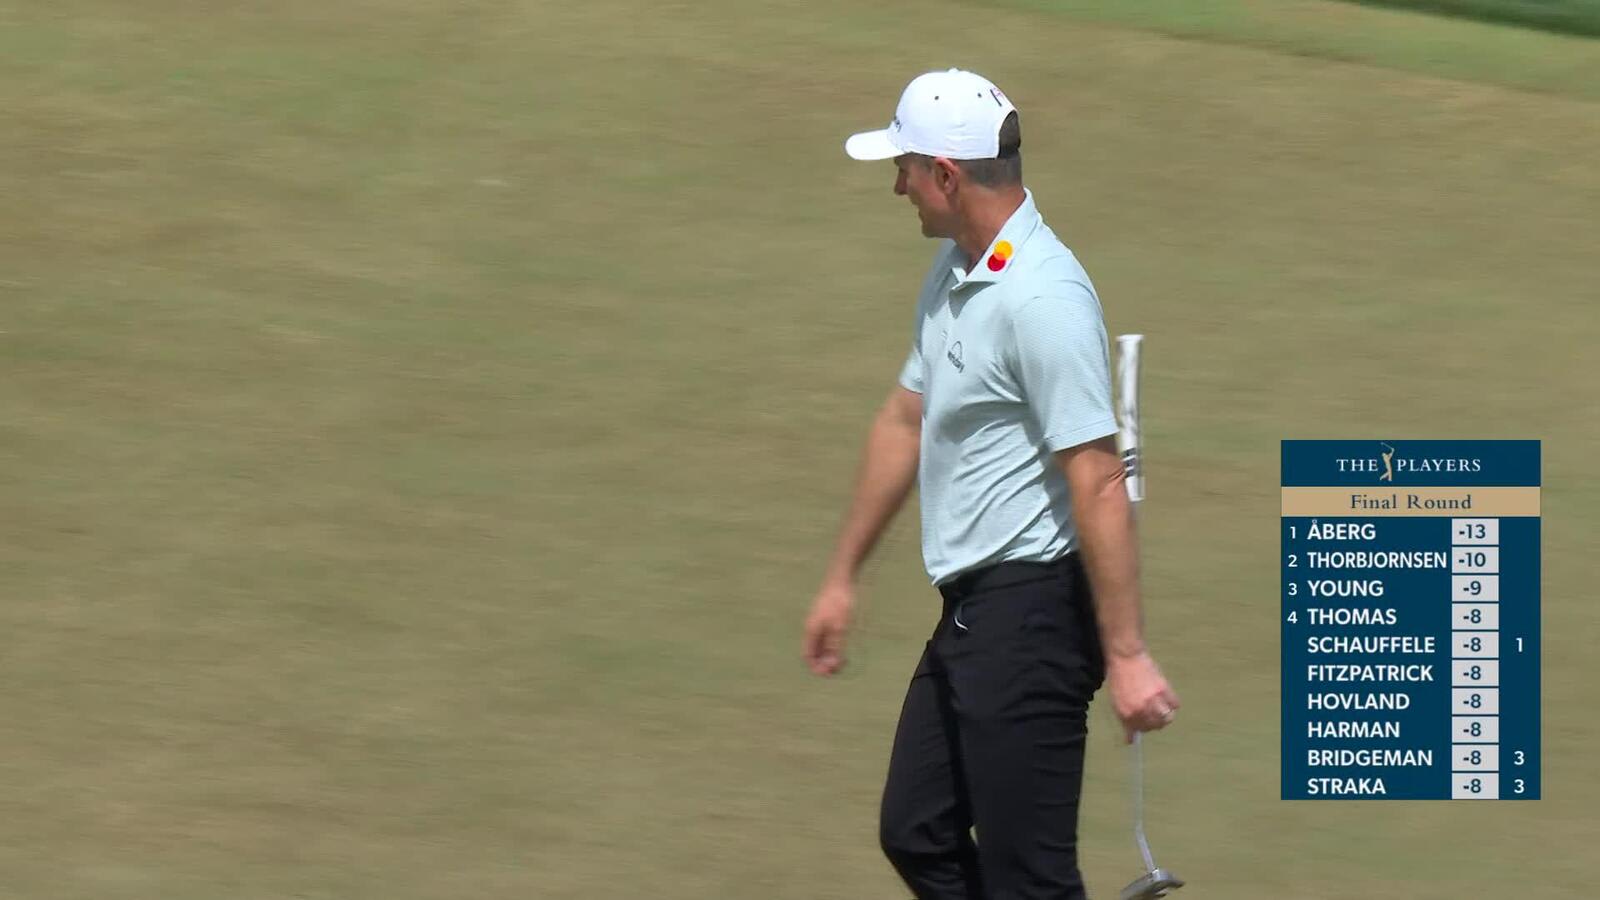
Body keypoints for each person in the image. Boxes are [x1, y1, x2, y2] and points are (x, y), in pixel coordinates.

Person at [802, 69, 1180, 900]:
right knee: (919, 832)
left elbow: (1097, 478)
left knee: (1028, 879)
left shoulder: (1042, 298)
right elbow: (905, 421)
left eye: (904, 166)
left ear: (946, 174)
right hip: (974, 614)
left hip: (1033, 617)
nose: (896, 184)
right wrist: (841, 577)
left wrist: (1127, 655)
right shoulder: (957, 271)